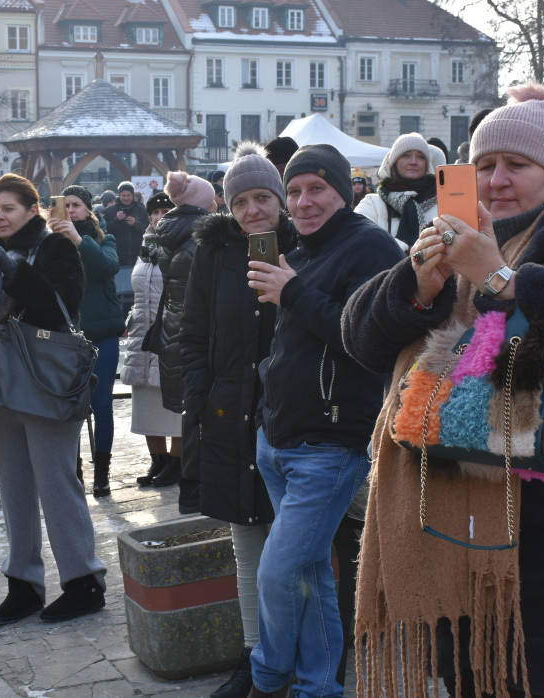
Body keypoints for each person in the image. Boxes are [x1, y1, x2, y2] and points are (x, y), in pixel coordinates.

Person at [342, 83, 544, 697]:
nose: (497, 180)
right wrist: (418, 285)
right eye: (484, 165)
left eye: (517, 164)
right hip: (454, 530)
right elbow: (359, 338)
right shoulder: (447, 246)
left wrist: (504, 279)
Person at [245, 143, 403, 697]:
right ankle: (319, 688)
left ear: (345, 190)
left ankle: (266, 676)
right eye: (294, 191)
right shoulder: (303, 249)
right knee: (309, 575)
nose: (304, 202)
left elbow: (369, 339)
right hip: (280, 437)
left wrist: (292, 293)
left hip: (331, 445)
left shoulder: (371, 248)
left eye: (317, 188)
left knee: (279, 572)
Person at [0, 173, 106, 625]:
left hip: (44, 380)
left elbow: (60, 307)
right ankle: (24, 584)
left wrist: (12, 269)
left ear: (33, 209)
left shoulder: (54, 246)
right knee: (13, 489)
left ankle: (83, 582)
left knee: (56, 483)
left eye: (8, 208)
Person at [179, 142, 296, 698]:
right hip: (229, 412)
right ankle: (256, 659)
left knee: (295, 547)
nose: (253, 209)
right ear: (228, 206)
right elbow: (194, 330)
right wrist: (200, 401)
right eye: (242, 200)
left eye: (263, 197)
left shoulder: (305, 246)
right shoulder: (214, 253)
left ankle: (301, 653)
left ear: (280, 200)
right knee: (246, 539)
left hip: (290, 415)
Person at [48, 184, 125, 497]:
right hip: (66, 337)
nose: (70, 211)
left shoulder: (104, 237)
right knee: (69, 406)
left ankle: (102, 471)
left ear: (88, 209)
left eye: (76, 205)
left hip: (102, 333)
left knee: (102, 403)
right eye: (64, 205)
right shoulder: (50, 243)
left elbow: (108, 267)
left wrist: (79, 240)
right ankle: (74, 470)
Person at [147, 172, 216, 500]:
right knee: (201, 407)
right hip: (197, 329)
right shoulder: (200, 237)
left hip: (174, 326)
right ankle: (196, 484)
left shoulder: (167, 230)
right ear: (205, 205)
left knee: (191, 408)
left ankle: (191, 482)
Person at [121, 191, 182, 486]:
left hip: (170, 335)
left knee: (172, 403)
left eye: (166, 211)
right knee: (146, 404)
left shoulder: (183, 243)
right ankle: (157, 461)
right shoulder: (147, 244)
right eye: (155, 212)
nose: (160, 217)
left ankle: (177, 462)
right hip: (141, 334)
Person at [354, 132, 438, 252]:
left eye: (420, 156)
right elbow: (357, 238)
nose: (413, 161)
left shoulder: (442, 203)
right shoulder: (373, 203)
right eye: (406, 155)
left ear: (427, 164)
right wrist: (403, 249)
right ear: (394, 162)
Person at [104, 181, 150, 268]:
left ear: (132, 196)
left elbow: (149, 230)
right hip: (117, 257)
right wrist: (116, 219)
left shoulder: (141, 209)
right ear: (119, 196)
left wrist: (136, 224)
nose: (126, 198)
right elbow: (105, 231)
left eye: (128, 195)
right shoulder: (110, 211)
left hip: (138, 257)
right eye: (123, 195)